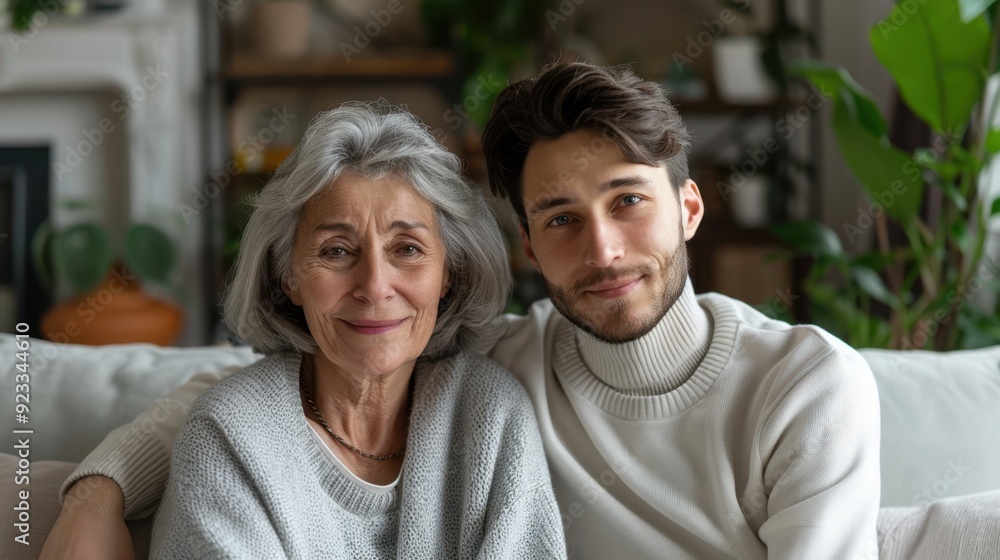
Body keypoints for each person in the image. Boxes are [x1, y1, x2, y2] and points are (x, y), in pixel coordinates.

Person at [43, 63, 880, 560]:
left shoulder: (807, 385)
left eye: (628, 202)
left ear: (690, 208)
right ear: (526, 245)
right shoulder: (512, 362)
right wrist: (97, 490)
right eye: (560, 219)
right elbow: (256, 395)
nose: (604, 251)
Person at [42, 102, 567, 559]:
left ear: (449, 272)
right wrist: (94, 492)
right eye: (336, 251)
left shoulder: (491, 413)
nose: (374, 286)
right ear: (287, 277)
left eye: (407, 249)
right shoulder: (232, 438)